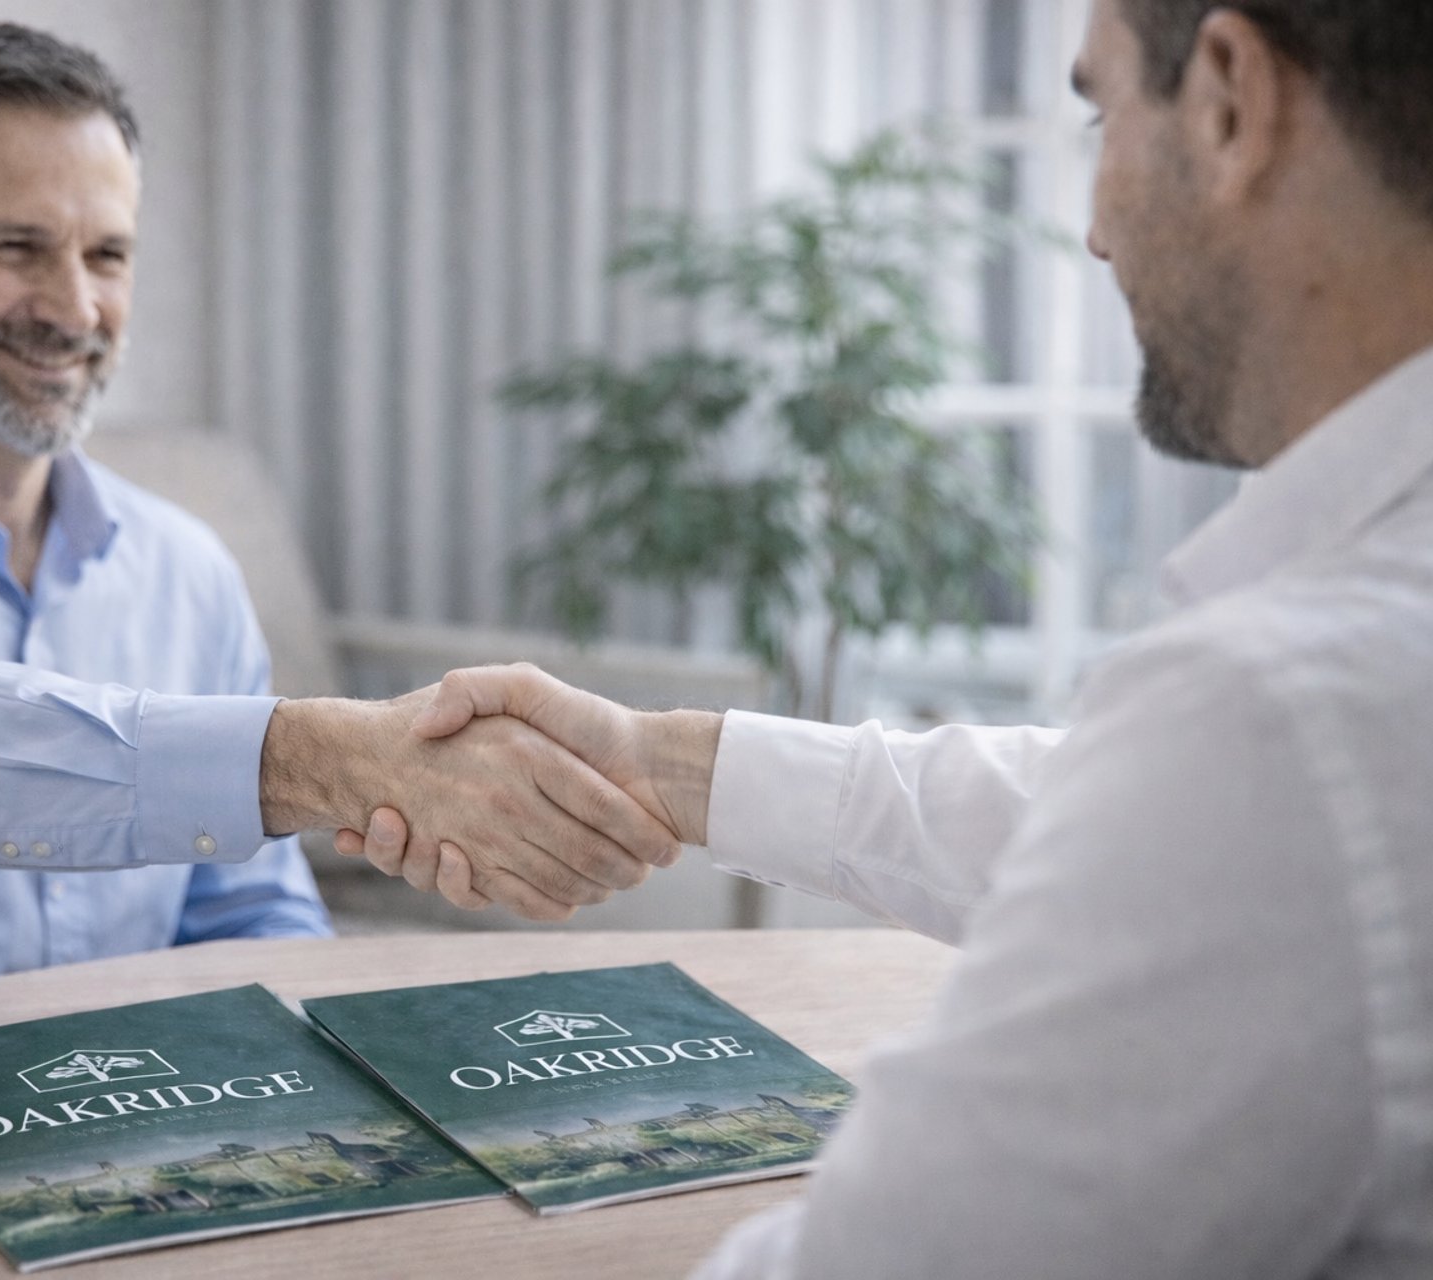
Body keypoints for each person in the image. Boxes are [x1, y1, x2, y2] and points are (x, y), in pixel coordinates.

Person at [341, 0, 1433, 1272]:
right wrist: (661, 762)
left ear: (1232, 100)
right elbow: (1103, 820)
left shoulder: (1285, 710)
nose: (1091, 228)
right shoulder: (1311, 715)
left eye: (1100, 112)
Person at [0, 22, 677, 1032]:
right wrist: (327, 756)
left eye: (109, 255)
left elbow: (247, 919)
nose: (75, 308)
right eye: (17, 247)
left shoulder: (189, 567)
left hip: (102, 1141)